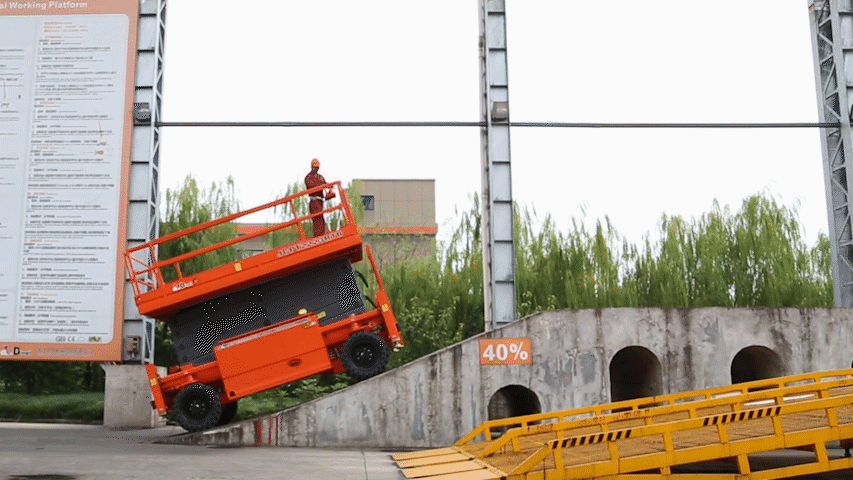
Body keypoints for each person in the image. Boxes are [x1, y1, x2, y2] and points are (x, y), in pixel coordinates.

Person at [304, 158, 334, 236]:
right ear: (311, 167)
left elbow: (325, 183)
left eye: (317, 167)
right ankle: (318, 237)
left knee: (321, 220)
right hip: (314, 201)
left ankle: (321, 235)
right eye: (314, 167)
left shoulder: (320, 177)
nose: (316, 168)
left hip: (320, 201)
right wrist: (323, 185)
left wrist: (329, 187)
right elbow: (312, 187)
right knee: (317, 220)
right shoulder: (308, 178)